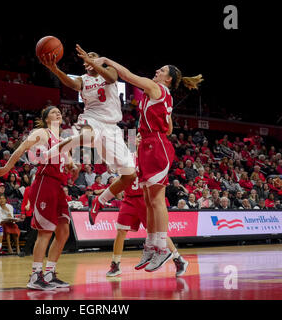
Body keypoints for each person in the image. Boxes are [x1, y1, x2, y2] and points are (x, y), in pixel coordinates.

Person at [90, 55, 202, 271]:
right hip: (149, 144)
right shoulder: (160, 95)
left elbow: (128, 76)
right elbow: (169, 128)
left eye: (161, 71)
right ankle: (151, 246)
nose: (157, 72)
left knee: (157, 201)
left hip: (156, 146)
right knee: (150, 201)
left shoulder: (155, 87)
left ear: (168, 79)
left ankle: (162, 248)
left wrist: (107, 61)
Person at [40, 45, 137, 226]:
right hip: (92, 119)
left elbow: (111, 77)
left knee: (130, 175)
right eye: (86, 59)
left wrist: (93, 60)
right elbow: (71, 83)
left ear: (99, 60)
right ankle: (50, 153)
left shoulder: (109, 71)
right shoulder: (83, 80)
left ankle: (99, 202)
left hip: (112, 128)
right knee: (87, 137)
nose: (88, 60)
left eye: (91, 57)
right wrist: (54, 69)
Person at [0, 106, 79, 290]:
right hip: (44, 183)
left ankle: (49, 273)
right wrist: (8, 167)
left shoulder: (63, 140)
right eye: (54, 111)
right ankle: (35, 276)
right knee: (45, 231)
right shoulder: (42, 132)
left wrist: (74, 168)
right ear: (46, 118)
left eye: (59, 111)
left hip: (58, 187)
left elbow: (70, 165)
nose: (58, 113)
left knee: (63, 231)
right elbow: (22, 148)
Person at [107, 137, 187, 277]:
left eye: (140, 137)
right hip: (129, 199)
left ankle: (178, 259)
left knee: (156, 232)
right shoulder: (126, 156)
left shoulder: (148, 155)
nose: (138, 139)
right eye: (136, 137)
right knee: (120, 231)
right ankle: (115, 264)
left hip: (144, 199)